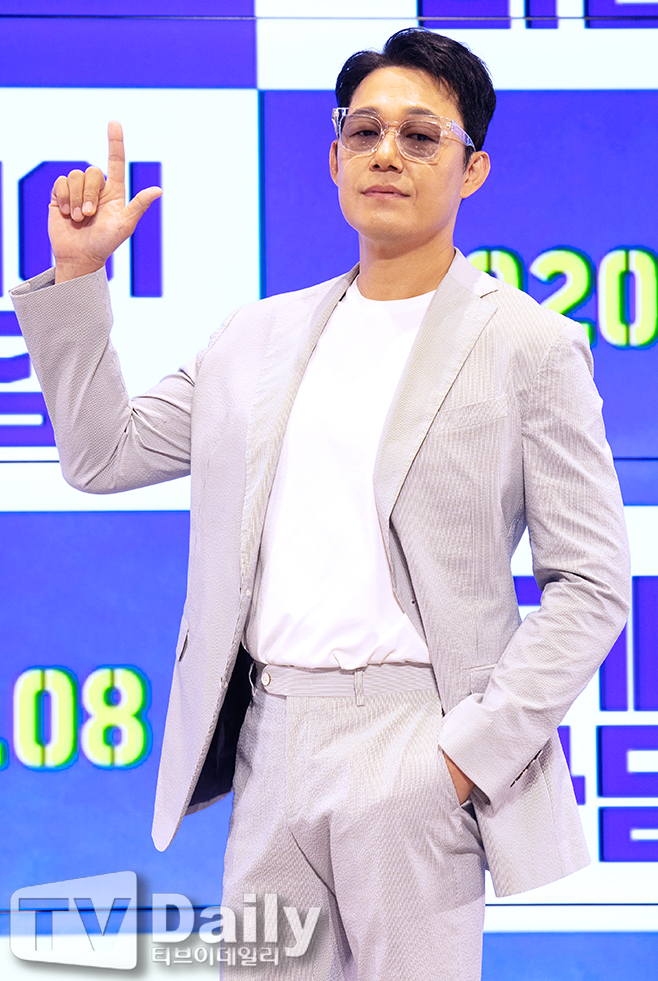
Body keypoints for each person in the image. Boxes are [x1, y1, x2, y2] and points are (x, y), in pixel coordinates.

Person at [12, 27, 629, 981]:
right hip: (270, 742)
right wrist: (80, 276)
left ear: (472, 170)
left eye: (420, 136)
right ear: (335, 157)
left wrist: (463, 757)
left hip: (418, 741)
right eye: (364, 130)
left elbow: (591, 583)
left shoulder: (529, 346)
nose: (387, 153)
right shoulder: (254, 338)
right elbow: (104, 455)